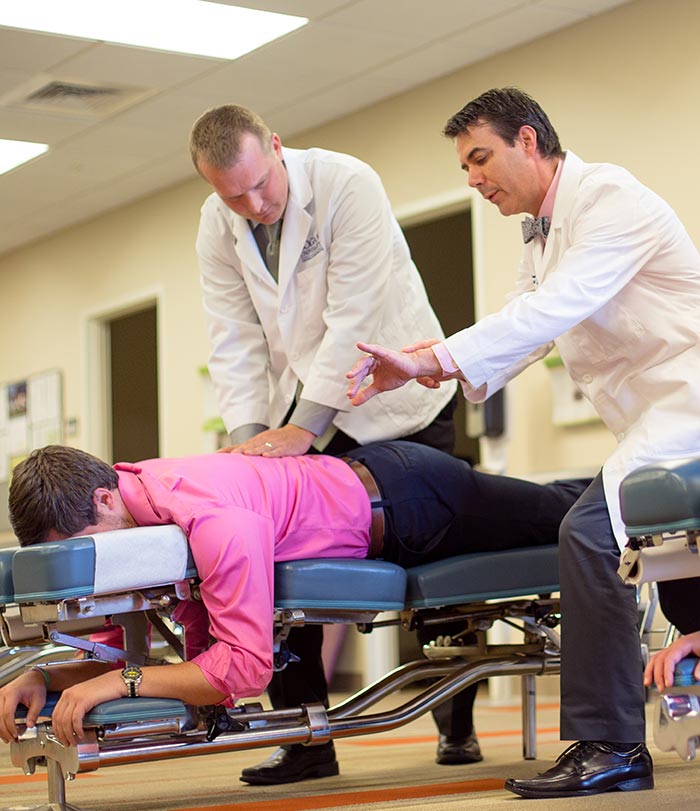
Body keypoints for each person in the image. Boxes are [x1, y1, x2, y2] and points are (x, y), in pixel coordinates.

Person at [345, 86, 700, 798]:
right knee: (646, 545)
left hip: (687, 406)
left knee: (592, 538)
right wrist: (427, 367)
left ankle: (612, 745)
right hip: (650, 421)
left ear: (529, 140)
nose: (474, 177)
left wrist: (433, 358)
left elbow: (551, 311)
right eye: (465, 167)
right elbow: (522, 327)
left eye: (481, 157)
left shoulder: (608, 199)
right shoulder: (539, 228)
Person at [189, 103, 465, 782]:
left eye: (261, 184)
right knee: (281, 570)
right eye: (234, 195)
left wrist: (302, 428)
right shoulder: (216, 225)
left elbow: (354, 319)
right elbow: (234, 341)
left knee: (443, 584)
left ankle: (456, 724)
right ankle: (306, 738)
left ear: (277, 146)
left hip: (401, 400)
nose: (253, 204)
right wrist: (252, 446)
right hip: (303, 411)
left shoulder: (347, 183)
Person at [0, 443, 589, 758]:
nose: (86, 569)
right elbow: (108, 649)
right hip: (375, 487)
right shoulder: (130, 521)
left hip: (414, 502)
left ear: (104, 499)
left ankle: (643, 478)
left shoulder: (208, 518)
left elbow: (245, 670)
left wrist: (120, 682)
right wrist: (47, 679)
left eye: (79, 550)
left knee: (568, 513)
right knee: (555, 510)